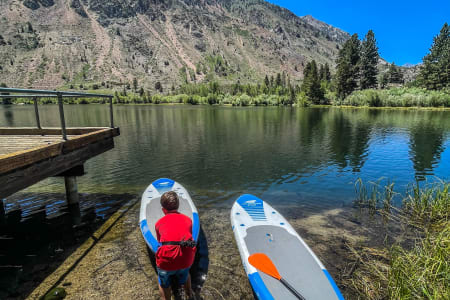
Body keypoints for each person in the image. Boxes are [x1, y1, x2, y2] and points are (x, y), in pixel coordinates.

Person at [155, 191, 196, 300]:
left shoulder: (158, 223)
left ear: (163, 210)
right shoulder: (188, 220)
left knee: (163, 283)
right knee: (186, 274)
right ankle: (190, 295)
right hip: (185, 261)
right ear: (178, 207)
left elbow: (160, 242)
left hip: (166, 263)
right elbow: (189, 237)